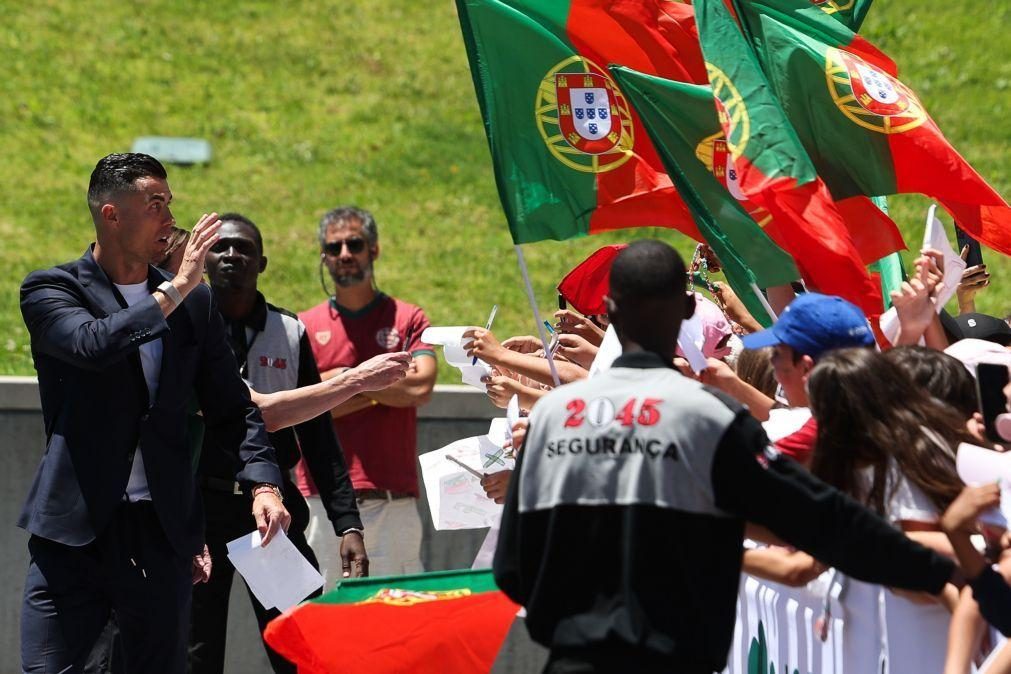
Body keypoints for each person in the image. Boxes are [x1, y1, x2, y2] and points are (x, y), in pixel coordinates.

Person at [493, 240, 960, 674]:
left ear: (610, 312)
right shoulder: (708, 416)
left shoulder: (550, 417)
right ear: (686, 310)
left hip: (570, 657)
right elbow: (816, 516)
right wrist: (945, 570)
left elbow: (513, 566)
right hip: (676, 657)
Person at [18, 153, 290, 674]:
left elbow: (233, 408)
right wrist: (175, 290)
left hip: (160, 536)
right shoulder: (52, 290)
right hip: (74, 534)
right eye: (155, 204)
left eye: (170, 204)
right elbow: (93, 344)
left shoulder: (196, 305)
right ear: (111, 214)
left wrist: (262, 484)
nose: (169, 219)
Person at [189, 213, 390, 673]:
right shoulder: (188, 329)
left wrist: (347, 525)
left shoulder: (291, 331)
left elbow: (320, 438)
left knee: (300, 650)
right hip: (199, 511)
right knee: (194, 653)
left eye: (243, 248)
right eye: (221, 248)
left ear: (262, 262)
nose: (232, 256)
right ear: (203, 261)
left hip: (272, 515)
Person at [296, 206, 437, 577]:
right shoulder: (301, 326)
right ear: (324, 256)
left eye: (354, 244)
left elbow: (421, 385)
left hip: (393, 503)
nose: (344, 254)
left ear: (373, 249)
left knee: (398, 625)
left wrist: (339, 385)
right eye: (334, 247)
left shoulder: (408, 318)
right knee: (323, 626)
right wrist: (368, 380)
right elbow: (299, 408)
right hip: (320, 504)